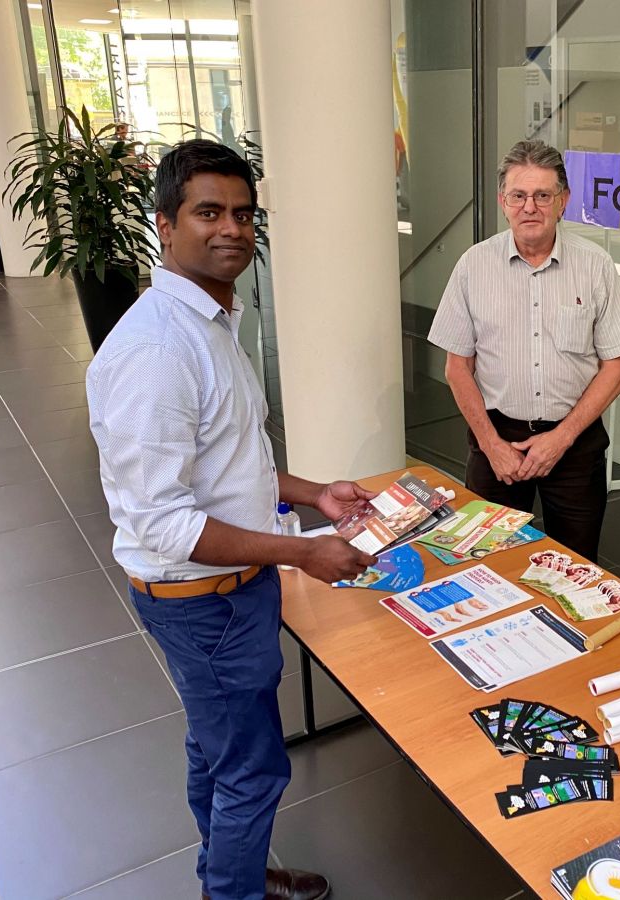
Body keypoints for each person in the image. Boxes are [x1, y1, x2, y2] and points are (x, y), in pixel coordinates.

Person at [86, 139, 377, 900]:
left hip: (228, 594)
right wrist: (302, 553)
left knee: (216, 751)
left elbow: (227, 465)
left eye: (244, 214)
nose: (232, 229)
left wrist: (315, 493)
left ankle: (234, 869)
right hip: (203, 603)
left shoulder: (211, 324)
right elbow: (166, 524)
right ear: (164, 225)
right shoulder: (156, 351)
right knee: (252, 768)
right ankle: (235, 890)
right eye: (208, 211)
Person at [428, 140, 620, 560]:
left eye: (543, 195)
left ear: (562, 201)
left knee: (575, 565)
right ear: (502, 202)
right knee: (486, 563)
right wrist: (491, 446)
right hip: (496, 443)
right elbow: (457, 367)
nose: (530, 207)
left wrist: (560, 439)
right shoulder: (473, 266)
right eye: (519, 196)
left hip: (574, 443)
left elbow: (618, 367)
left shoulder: (594, 266)